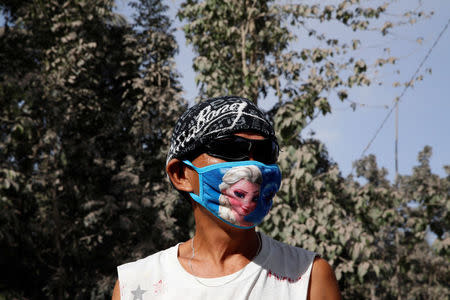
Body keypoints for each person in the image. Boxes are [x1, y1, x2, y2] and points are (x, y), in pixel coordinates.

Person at [112, 96, 341, 300]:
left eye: (265, 153)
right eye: (230, 149)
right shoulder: (136, 285)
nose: (253, 166)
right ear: (181, 175)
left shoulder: (307, 277)